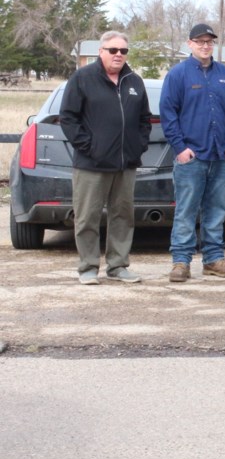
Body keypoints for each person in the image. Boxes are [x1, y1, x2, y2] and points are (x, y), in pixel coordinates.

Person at [59, 31, 150, 285]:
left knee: (123, 216)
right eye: (113, 50)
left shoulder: (134, 81)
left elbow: (145, 119)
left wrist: (138, 146)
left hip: (126, 164)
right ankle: (88, 267)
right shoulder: (83, 78)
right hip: (92, 164)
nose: (118, 55)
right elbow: (68, 117)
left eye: (123, 51)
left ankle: (118, 265)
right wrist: (89, 147)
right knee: (87, 216)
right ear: (101, 52)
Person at [160, 23, 225, 283]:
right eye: (200, 41)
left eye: (209, 42)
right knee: (186, 210)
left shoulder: (224, 75)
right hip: (191, 157)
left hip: (221, 156)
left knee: (217, 210)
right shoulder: (178, 74)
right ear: (190, 44)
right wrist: (180, 148)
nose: (205, 46)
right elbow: (168, 113)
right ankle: (181, 262)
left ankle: (213, 259)